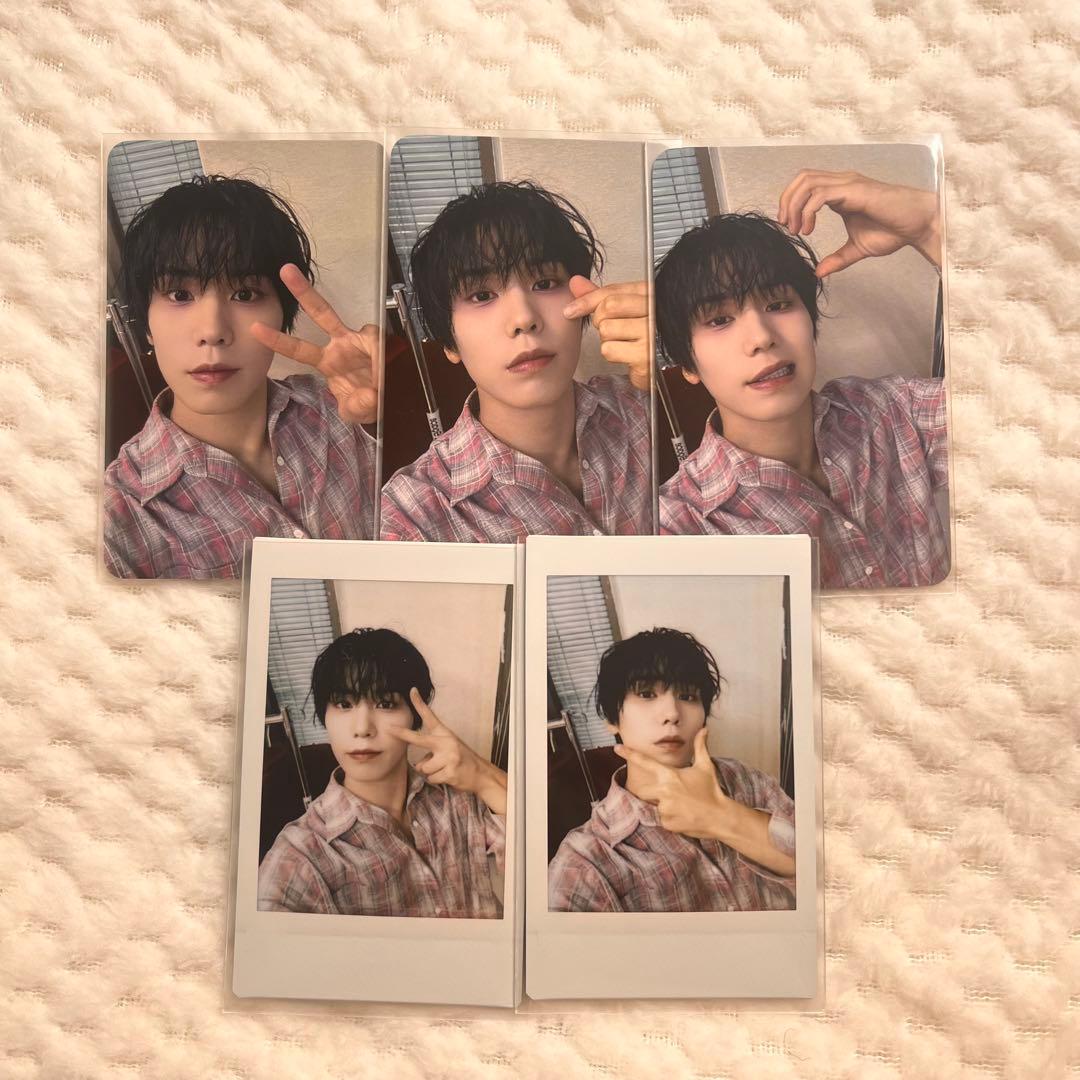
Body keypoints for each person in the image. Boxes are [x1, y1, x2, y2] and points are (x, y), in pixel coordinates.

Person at [656, 170, 949, 589]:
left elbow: (1030, 401)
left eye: (778, 304)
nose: (761, 338)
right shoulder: (682, 526)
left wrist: (932, 225)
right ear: (687, 363)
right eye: (719, 320)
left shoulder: (891, 411)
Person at [104, 174, 381, 579]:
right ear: (145, 323)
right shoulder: (118, 522)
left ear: (283, 314)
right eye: (179, 295)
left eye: (245, 294)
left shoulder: (343, 411)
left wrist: (388, 411)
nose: (212, 331)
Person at [379, 180, 652, 542]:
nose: (524, 318)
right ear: (450, 340)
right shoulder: (412, 518)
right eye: (481, 295)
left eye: (544, 283)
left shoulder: (643, 408)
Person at [258, 628, 508, 918]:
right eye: (344, 704)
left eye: (385, 703)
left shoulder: (456, 798)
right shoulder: (303, 857)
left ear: (415, 717)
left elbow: (535, 855)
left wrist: (482, 775)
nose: (362, 728)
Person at [548, 628, 796, 913]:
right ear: (612, 718)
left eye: (688, 696)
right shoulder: (587, 863)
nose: (672, 714)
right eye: (646, 694)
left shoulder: (747, 781)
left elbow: (831, 873)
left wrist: (722, 816)